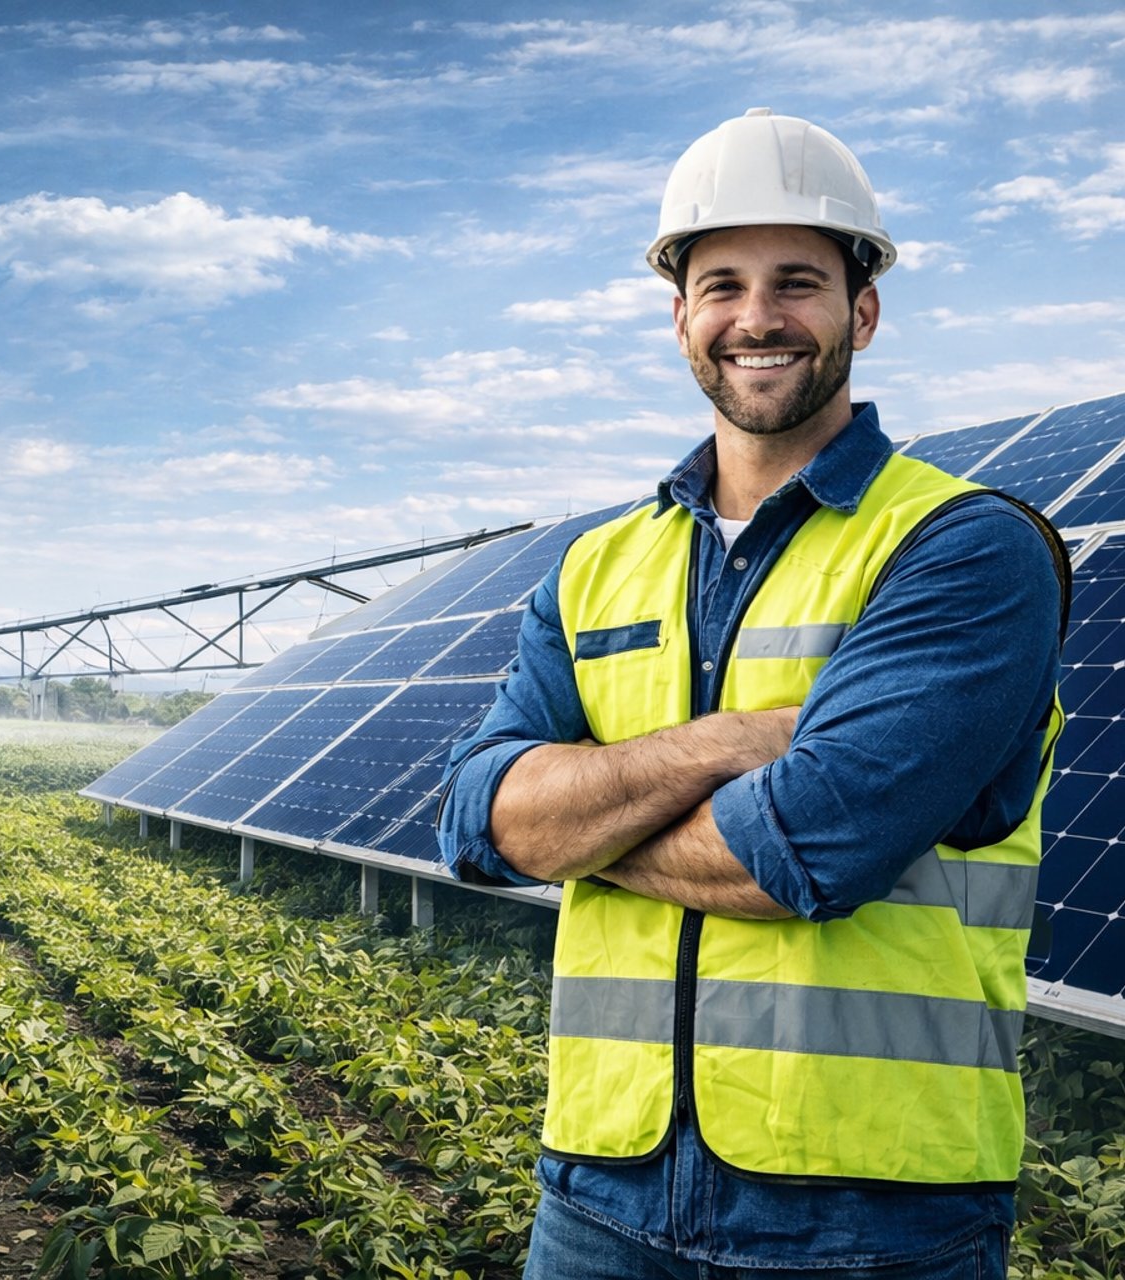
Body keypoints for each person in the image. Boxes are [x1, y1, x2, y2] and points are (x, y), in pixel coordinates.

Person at [436, 108, 1068, 1279]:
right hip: (597, 1191)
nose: (757, 317)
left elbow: (806, 850)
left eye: (798, 283)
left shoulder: (962, 547)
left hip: (870, 1213)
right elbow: (478, 821)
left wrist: (578, 824)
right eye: (721, 284)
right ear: (680, 316)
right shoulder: (596, 565)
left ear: (862, 312)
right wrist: (726, 744)